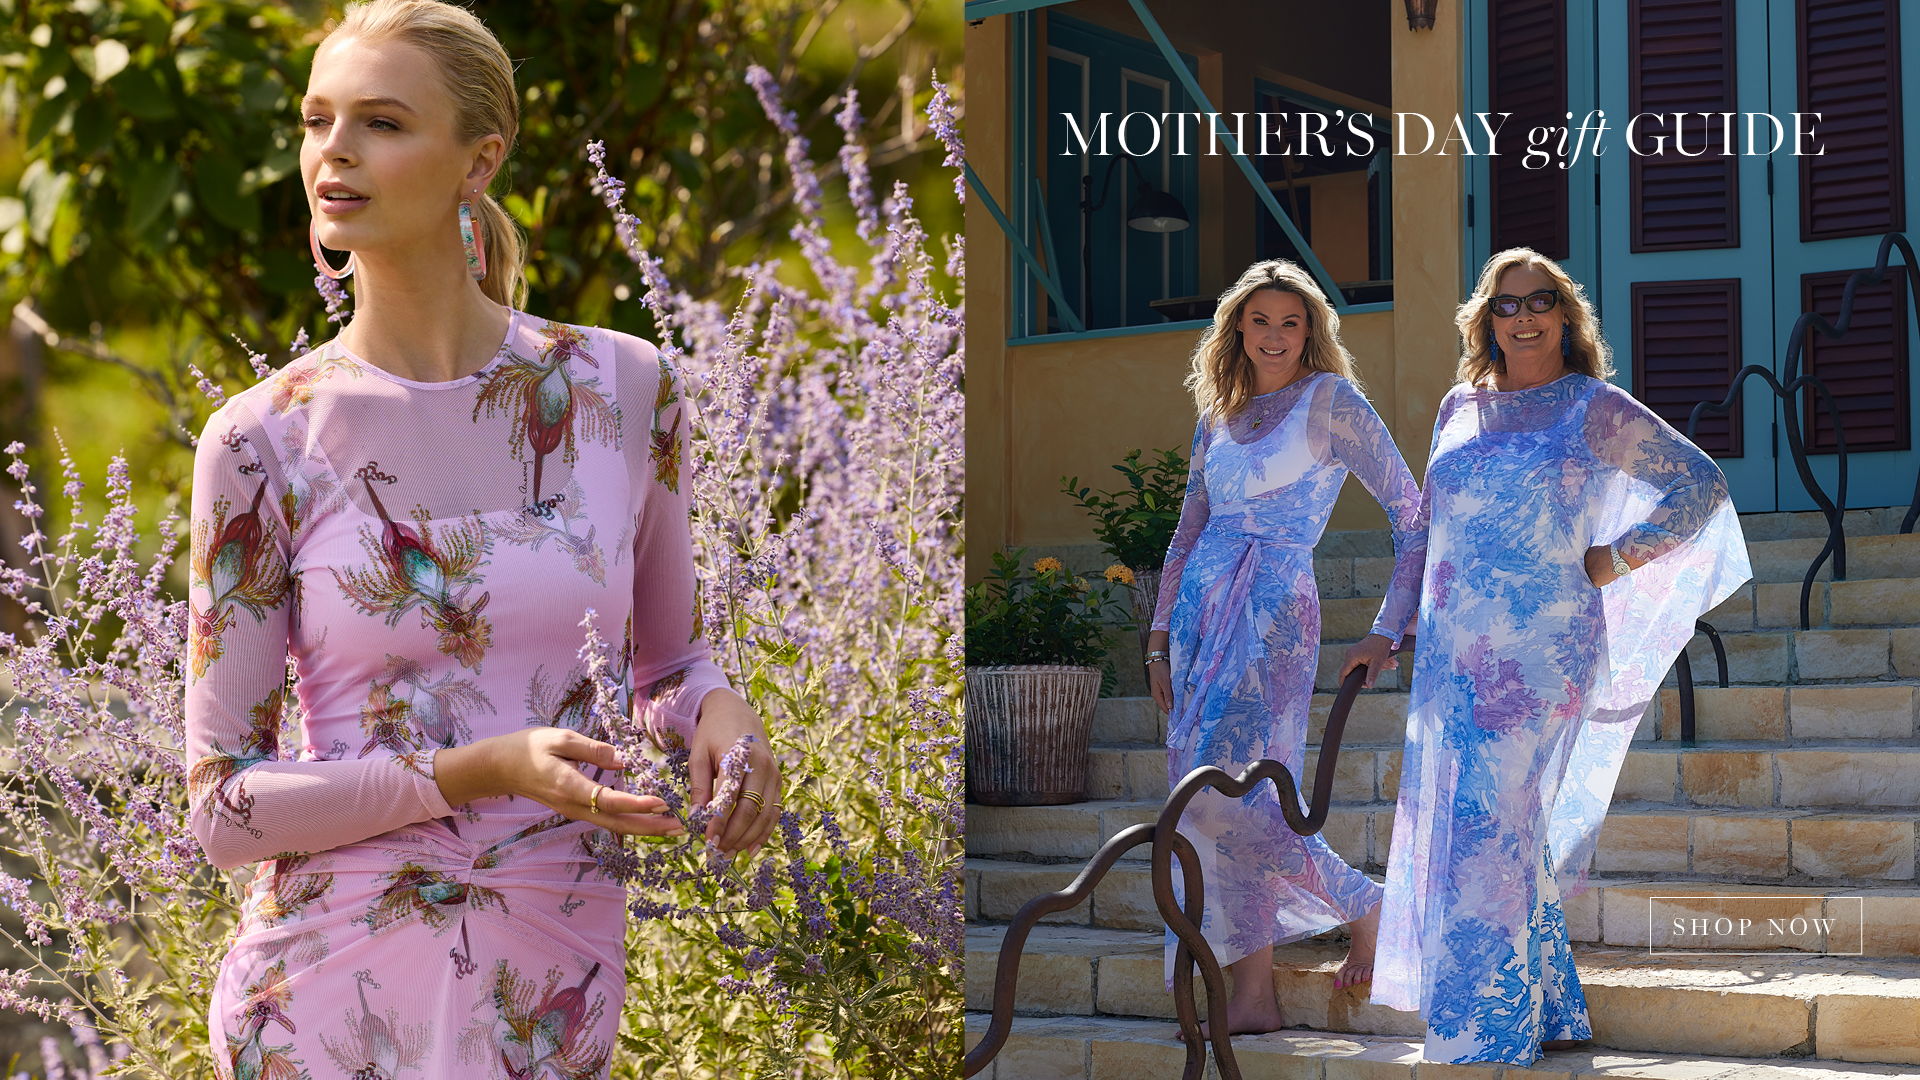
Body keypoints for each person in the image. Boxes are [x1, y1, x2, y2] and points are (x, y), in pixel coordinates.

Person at [183, 2, 781, 1074]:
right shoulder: (260, 439)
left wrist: (724, 715)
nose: (334, 152)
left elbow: (669, 662)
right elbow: (224, 808)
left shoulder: (627, 387)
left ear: (480, 159)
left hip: (551, 977)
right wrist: (480, 768)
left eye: (381, 123)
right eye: (318, 120)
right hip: (327, 997)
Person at [1370, 248, 1750, 1065]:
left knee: (1487, 824)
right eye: (1507, 304)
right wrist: (1387, 626)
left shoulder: (1592, 407)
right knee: (1499, 826)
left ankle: (1481, 1032)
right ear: (1487, 320)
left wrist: (1616, 557)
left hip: (1542, 653)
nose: (1525, 315)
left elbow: (1699, 483)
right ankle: (1547, 1010)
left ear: (1566, 316)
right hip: (1453, 654)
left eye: (1542, 300)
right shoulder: (1455, 410)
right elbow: (1423, 532)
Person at [1145, 259, 1427, 1037]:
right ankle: (1255, 996)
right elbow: (1187, 530)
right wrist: (1158, 638)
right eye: (1261, 320)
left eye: (1291, 322)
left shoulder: (1332, 402)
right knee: (1203, 803)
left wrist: (1385, 627)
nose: (1275, 336)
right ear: (1237, 326)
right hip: (1203, 615)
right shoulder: (1219, 414)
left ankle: (1365, 903)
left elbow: (1414, 518)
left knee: (1222, 797)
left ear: (1312, 331)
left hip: (1272, 613)